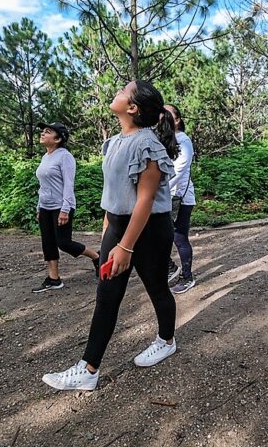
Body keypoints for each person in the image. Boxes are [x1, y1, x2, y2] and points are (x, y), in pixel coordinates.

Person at [42, 80, 180, 391]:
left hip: (148, 230)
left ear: (132, 107)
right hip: (119, 227)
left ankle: (166, 340)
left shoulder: (148, 144)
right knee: (106, 297)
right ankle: (88, 370)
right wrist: (109, 229)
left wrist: (126, 247)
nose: (117, 92)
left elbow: (145, 201)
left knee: (157, 289)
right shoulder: (116, 141)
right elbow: (117, 191)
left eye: (123, 90)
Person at [32, 122, 100, 293]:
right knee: (48, 242)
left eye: (47, 132)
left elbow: (69, 185)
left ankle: (97, 257)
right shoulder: (45, 157)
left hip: (61, 206)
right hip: (46, 207)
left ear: (58, 139)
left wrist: (65, 209)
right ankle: (54, 279)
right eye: (43, 131)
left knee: (63, 243)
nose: (42, 133)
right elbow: (43, 185)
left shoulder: (65, 156)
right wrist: (39, 208)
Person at [165, 104, 196, 294]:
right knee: (154, 236)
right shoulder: (163, 139)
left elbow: (178, 171)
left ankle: (187, 276)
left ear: (177, 120)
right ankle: (170, 268)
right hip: (163, 197)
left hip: (180, 198)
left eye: (166, 114)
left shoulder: (183, 141)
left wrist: (155, 189)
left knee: (179, 238)